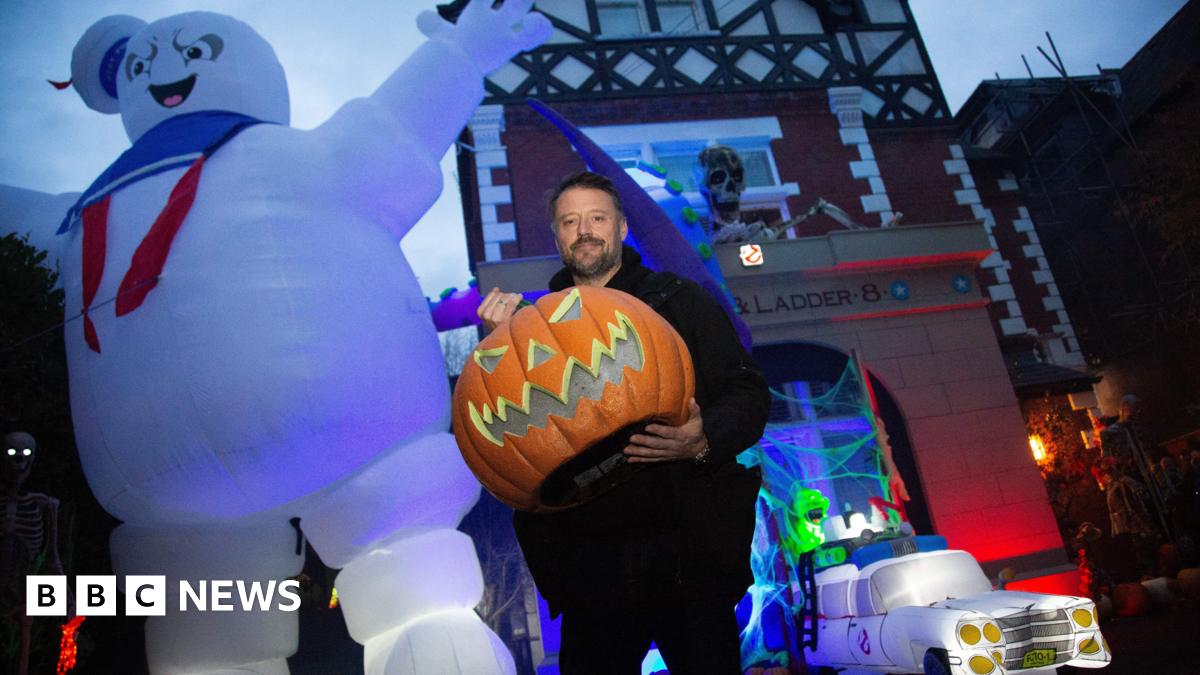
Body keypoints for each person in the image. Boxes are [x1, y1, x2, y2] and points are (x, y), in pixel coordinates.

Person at [478, 171, 770, 674]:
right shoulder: (529, 327)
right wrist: (500, 349)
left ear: (622, 228)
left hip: (689, 553)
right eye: (570, 221)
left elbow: (748, 394)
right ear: (557, 236)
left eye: (597, 218)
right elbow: (505, 429)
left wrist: (700, 440)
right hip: (592, 564)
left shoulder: (680, 301)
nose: (584, 230)